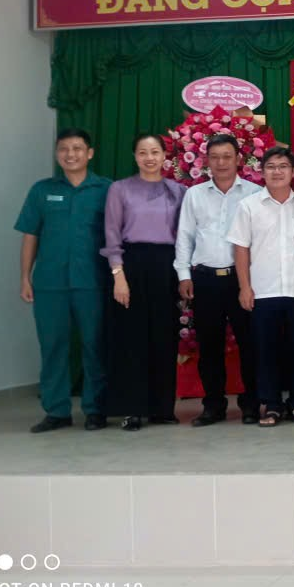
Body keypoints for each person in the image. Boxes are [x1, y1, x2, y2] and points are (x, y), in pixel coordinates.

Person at [17, 129, 112, 433]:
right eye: (64, 149)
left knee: (95, 346)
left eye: (77, 148)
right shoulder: (41, 190)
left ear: (90, 153)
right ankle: (56, 411)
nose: (70, 154)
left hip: (93, 282)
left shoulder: (107, 189)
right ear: (57, 154)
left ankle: (96, 409)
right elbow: (30, 235)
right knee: (53, 346)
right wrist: (25, 277)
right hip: (50, 283)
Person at [174, 134, 262, 427]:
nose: (221, 162)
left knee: (250, 344)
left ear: (238, 159)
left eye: (227, 156)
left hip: (242, 279)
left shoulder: (254, 193)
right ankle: (213, 405)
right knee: (209, 346)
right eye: (215, 157)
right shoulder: (195, 194)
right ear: (206, 161)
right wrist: (184, 275)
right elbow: (185, 236)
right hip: (205, 279)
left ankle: (251, 404)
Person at [102, 134, 187, 431]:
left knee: (164, 337)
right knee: (131, 339)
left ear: (164, 155)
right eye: (142, 152)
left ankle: (162, 408)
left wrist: (182, 275)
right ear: (135, 156)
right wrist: (118, 276)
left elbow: (185, 236)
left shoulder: (178, 191)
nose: (149, 158)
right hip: (132, 265)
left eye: (154, 152)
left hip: (166, 266)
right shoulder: (120, 189)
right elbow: (112, 234)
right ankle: (132, 408)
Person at [227, 147, 294, 427]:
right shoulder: (249, 206)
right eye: (271, 167)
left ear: (293, 172)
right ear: (262, 172)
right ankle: (272, 406)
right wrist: (244, 287)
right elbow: (241, 249)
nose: (277, 172)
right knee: (265, 352)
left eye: (283, 166)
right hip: (263, 291)